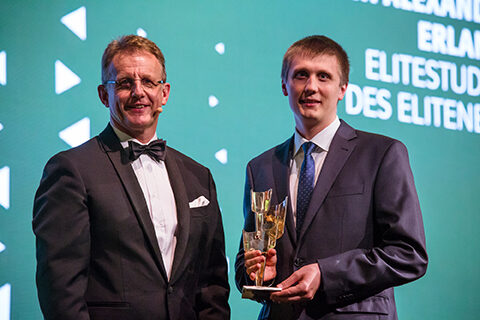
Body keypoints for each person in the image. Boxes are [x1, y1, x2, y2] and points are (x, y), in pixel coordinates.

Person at [33, 35, 230, 320]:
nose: (138, 92)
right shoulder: (71, 170)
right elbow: (60, 289)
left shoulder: (199, 176)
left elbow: (212, 285)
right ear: (104, 95)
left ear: (165, 93)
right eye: (125, 83)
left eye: (149, 82)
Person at [235, 35, 428, 320]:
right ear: (284, 85)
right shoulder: (260, 167)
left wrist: (326, 274)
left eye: (323, 76)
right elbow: (245, 263)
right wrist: (260, 274)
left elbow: (409, 253)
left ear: (342, 89)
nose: (311, 86)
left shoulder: (382, 154)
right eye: (301, 75)